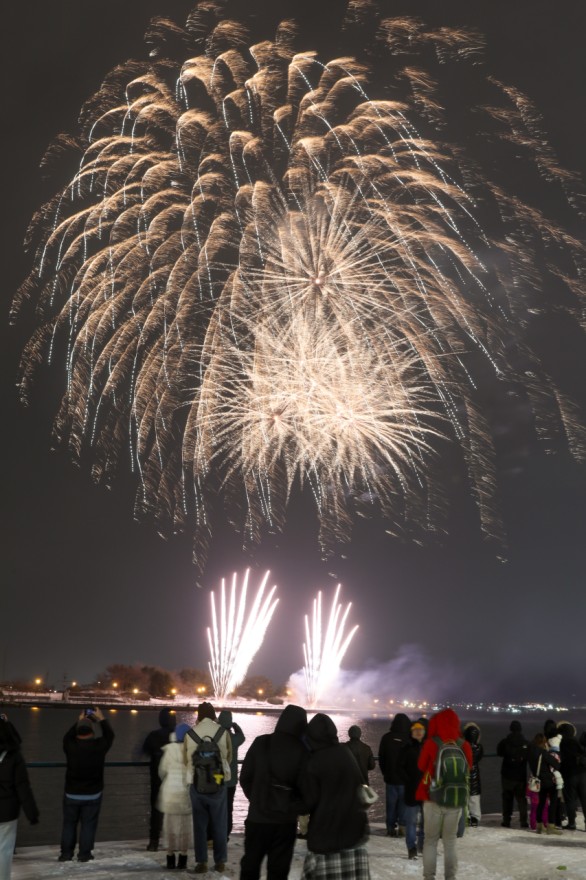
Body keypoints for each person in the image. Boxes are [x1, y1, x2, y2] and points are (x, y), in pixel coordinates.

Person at [239, 704, 308, 880]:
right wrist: (291, 806)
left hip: (257, 819)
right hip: (285, 822)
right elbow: (306, 790)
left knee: (250, 866)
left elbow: (245, 777)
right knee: (279, 870)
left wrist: (256, 799)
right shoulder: (302, 751)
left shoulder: (261, 742)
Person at [300, 713, 369, 880]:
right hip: (354, 833)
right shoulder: (345, 752)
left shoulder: (314, 761)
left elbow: (307, 802)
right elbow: (361, 788)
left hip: (326, 837)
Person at [416, 708, 472, 880]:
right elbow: (468, 768)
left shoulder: (432, 743)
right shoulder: (464, 745)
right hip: (454, 798)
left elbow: (420, 766)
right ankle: (450, 877)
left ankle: (429, 877)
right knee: (450, 842)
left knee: (430, 841)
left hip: (433, 798)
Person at [59, 707, 115, 862]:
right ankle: (84, 854)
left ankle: (66, 854)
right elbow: (110, 735)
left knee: (69, 824)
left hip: (71, 793)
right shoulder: (99, 746)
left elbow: (66, 737)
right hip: (93, 793)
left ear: (77, 732)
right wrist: (101, 719)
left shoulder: (70, 746)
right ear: (92, 731)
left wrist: (78, 720)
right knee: (88, 825)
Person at [184, 702, 232, 873]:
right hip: (218, 782)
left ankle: (201, 862)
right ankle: (220, 862)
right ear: (214, 716)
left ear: (198, 715)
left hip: (196, 784)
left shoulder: (190, 734)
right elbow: (228, 757)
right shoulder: (223, 732)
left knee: (199, 824)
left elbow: (185, 760)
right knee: (220, 823)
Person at [0, 715, 39, 880]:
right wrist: (32, 813)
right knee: (4, 851)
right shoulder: (14, 757)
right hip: (7, 812)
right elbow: (23, 786)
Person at [157, 722, 193, 870]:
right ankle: (183, 858)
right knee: (184, 827)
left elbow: (162, 771)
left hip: (170, 794)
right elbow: (193, 774)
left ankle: (170, 858)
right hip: (185, 795)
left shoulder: (169, 750)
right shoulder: (191, 751)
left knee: (169, 826)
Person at [143, 708, 177, 851]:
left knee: (156, 811)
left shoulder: (153, 735)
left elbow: (144, 750)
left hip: (157, 779)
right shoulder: (179, 736)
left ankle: (154, 842)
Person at [378, 713, 411, 837]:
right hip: (404, 780)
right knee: (403, 804)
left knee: (390, 805)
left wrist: (385, 773)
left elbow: (381, 758)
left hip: (390, 778)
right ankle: (402, 827)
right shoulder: (409, 739)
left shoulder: (386, 738)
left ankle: (390, 828)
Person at [399, 718, 426, 860]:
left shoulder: (427, 748)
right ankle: (412, 848)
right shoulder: (407, 749)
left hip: (425, 791)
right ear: (411, 733)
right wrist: (408, 780)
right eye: (416, 731)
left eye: (420, 730)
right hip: (412, 791)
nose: (418, 733)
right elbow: (400, 768)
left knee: (425, 822)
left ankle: (421, 846)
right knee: (412, 821)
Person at [527, 732, 563, 835]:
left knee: (541, 802)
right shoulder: (543, 753)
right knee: (553, 803)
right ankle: (551, 826)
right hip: (549, 782)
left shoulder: (530, 753)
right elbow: (556, 764)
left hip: (539, 781)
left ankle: (539, 826)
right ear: (543, 742)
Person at [218, 710, 245, 838]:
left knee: (216, 808)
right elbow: (242, 736)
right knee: (228, 809)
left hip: (216, 780)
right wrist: (234, 725)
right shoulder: (234, 739)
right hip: (231, 781)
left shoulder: (215, 737)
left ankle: (214, 833)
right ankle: (226, 834)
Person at [497, 720, 529, 829]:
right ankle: (523, 821)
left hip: (507, 774)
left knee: (507, 797)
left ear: (510, 729)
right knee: (521, 799)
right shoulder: (526, 743)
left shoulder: (505, 742)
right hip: (520, 775)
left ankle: (506, 820)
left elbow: (499, 752)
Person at [558, 721, 586, 831]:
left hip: (570, 775)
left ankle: (572, 823)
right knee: (584, 799)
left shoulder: (562, 744)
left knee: (570, 800)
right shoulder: (577, 743)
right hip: (583, 773)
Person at [462, 722, 483, 827]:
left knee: (464, 797)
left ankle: (465, 817)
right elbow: (479, 758)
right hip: (475, 774)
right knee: (474, 798)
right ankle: (475, 818)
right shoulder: (479, 748)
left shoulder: (462, 746)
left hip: (463, 773)